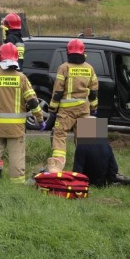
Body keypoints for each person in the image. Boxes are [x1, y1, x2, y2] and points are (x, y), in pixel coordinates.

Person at [0, 42, 44, 183]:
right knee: (16, 155)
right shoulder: (21, 78)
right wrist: (40, 119)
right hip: (15, 128)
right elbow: (33, 102)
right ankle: (16, 184)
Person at [43, 39, 98, 172]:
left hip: (66, 111)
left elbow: (58, 91)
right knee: (87, 139)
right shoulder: (89, 68)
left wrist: (52, 109)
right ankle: (89, 168)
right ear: (83, 52)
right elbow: (94, 91)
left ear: (68, 52)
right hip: (84, 109)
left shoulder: (64, 67)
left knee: (60, 135)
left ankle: (57, 166)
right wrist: (94, 108)